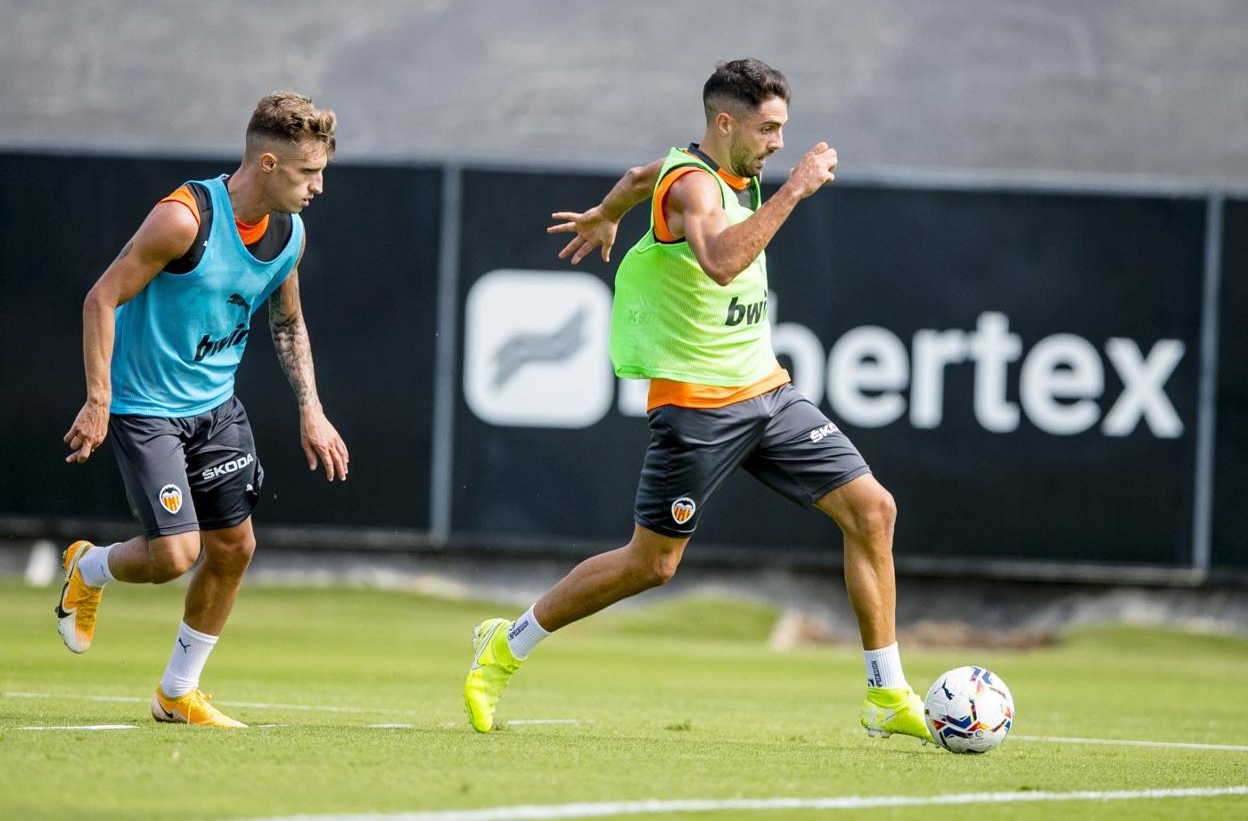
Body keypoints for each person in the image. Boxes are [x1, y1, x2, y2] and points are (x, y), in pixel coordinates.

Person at [464, 59, 930, 743]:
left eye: (783, 131)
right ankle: (506, 644)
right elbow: (719, 263)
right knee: (650, 565)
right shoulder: (694, 186)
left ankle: (885, 693)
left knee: (873, 510)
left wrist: (606, 215)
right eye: (767, 129)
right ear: (724, 122)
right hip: (699, 407)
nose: (777, 143)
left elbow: (633, 178)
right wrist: (795, 191)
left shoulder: (705, 169)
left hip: (767, 392)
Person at [57, 92, 349, 728]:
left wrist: (312, 409)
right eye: (308, 173)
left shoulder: (288, 233)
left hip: (216, 409)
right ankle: (90, 566)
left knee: (234, 549)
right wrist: (99, 401)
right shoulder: (184, 219)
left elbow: (288, 322)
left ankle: (176, 694)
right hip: (146, 408)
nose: (318, 187)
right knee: (173, 556)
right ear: (267, 164)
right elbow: (100, 300)